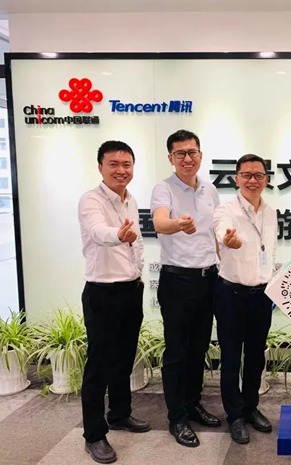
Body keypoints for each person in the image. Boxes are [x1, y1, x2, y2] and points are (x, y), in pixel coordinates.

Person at [78, 140, 151, 464]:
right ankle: (94, 435)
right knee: (99, 365)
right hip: (103, 292)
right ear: (100, 167)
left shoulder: (130, 200)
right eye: (114, 164)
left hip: (130, 290)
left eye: (127, 164)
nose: (121, 170)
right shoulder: (91, 200)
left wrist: (138, 270)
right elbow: (98, 232)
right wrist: (118, 235)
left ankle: (119, 414)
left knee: (124, 358)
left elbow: (136, 242)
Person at [151, 129, 222, 448]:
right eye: (180, 153)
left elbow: (214, 234)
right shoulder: (163, 188)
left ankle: (193, 404)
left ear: (200, 155)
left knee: (199, 348)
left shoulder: (210, 189)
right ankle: (177, 417)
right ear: (171, 158)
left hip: (208, 280)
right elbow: (159, 222)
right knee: (177, 352)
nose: (187, 158)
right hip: (177, 281)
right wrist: (178, 223)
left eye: (192, 152)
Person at [213, 154, 277, 445]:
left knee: (255, 356)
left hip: (261, 295)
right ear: (236, 178)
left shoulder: (271, 212)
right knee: (230, 357)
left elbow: (270, 250)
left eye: (258, 175)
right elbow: (222, 232)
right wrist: (228, 240)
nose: (253, 180)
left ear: (266, 179)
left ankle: (250, 407)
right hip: (231, 294)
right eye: (247, 175)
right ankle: (235, 416)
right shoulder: (226, 209)